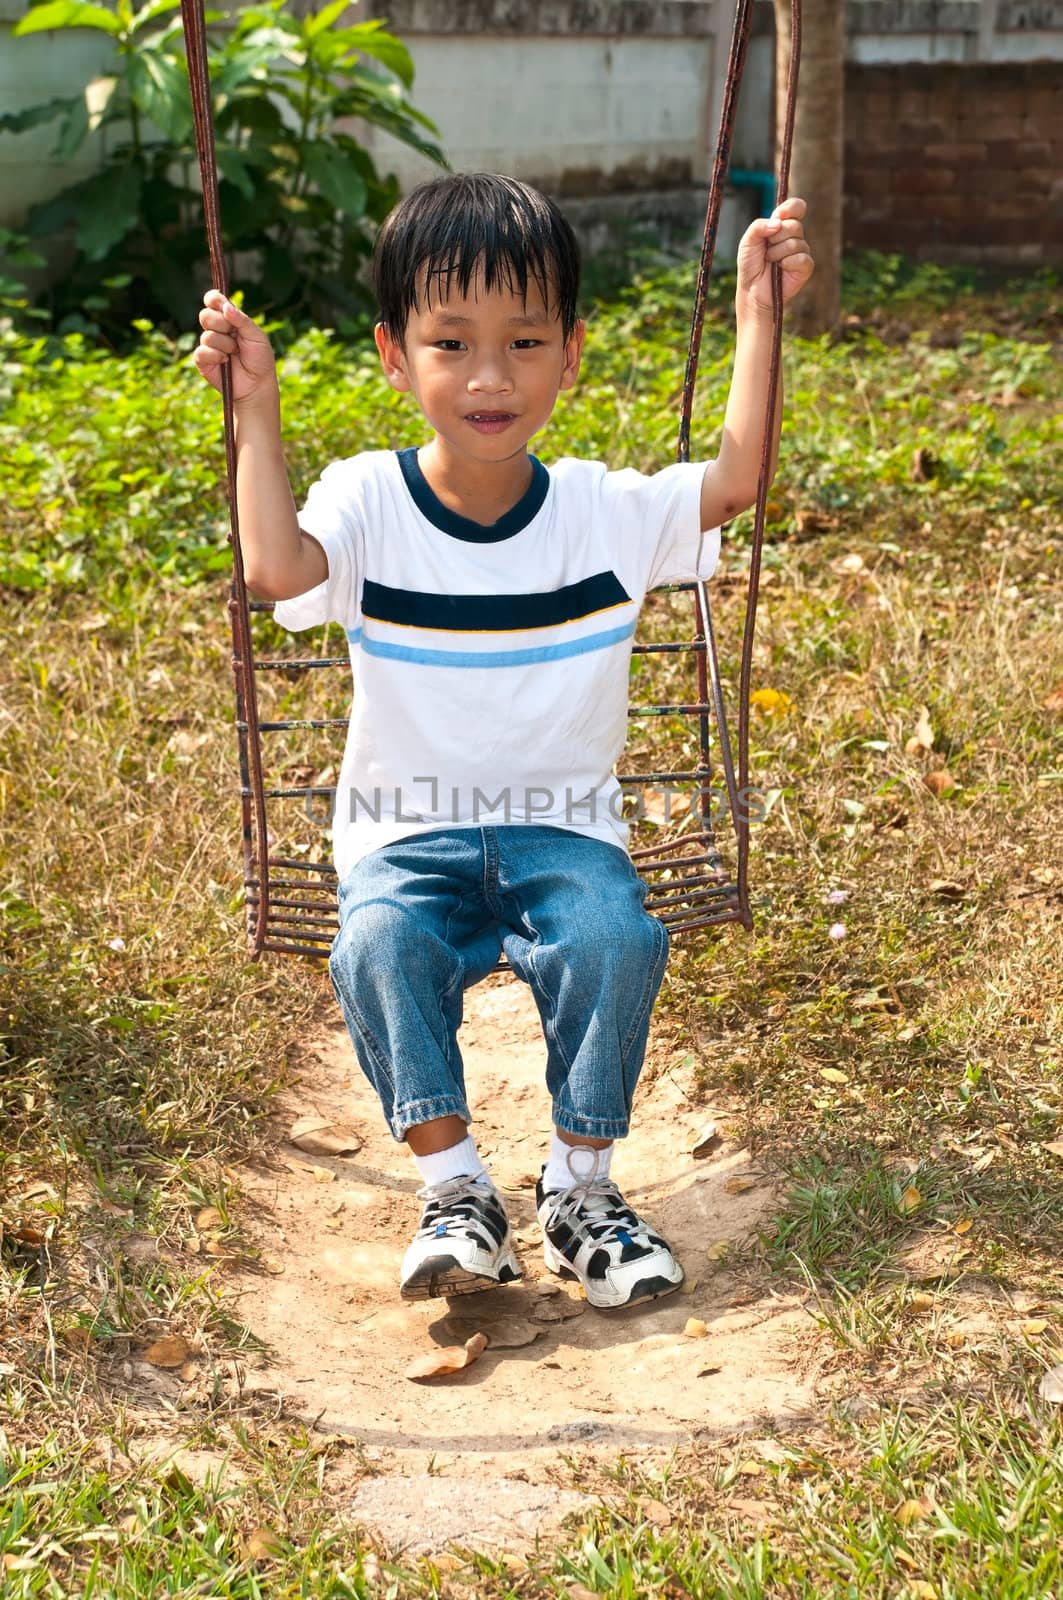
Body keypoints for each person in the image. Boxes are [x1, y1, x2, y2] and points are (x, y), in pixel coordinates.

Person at [194, 172, 813, 1312]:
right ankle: (456, 1188)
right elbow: (276, 571)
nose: (490, 377)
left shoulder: (604, 510)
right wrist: (255, 407)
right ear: (395, 356)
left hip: (561, 833)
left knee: (615, 935)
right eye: (452, 342)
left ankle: (578, 1188)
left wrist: (758, 317)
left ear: (571, 354)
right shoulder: (369, 502)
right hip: (404, 833)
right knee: (376, 941)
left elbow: (736, 480)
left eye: (524, 342)